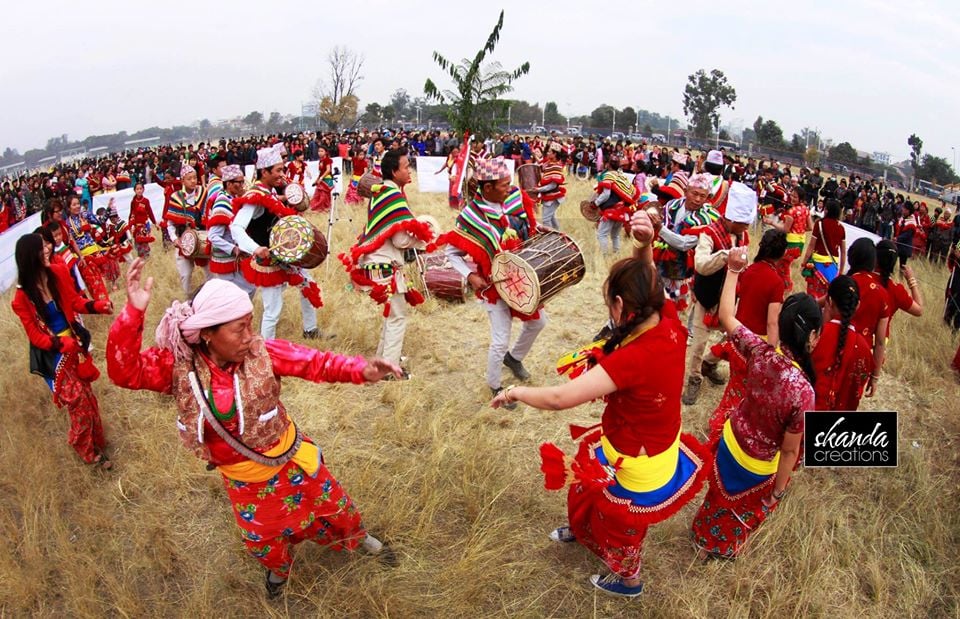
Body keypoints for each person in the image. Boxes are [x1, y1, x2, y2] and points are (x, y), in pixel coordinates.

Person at [106, 261, 399, 597]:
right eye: (238, 329)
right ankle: (278, 571)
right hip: (245, 480)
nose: (249, 337)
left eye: (250, 325)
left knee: (333, 506)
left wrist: (362, 369)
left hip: (291, 460)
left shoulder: (263, 352)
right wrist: (133, 312)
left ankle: (358, 539)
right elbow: (123, 372)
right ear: (207, 334)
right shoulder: (178, 368)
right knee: (263, 536)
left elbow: (315, 362)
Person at [491, 211, 706, 598]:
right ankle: (582, 530)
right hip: (643, 437)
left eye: (609, 301)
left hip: (639, 457)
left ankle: (629, 581)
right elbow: (649, 282)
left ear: (622, 305)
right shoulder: (666, 318)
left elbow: (559, 398)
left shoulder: (632, 358)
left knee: (622, 526)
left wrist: (513, 393)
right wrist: (642, 245)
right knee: (587, 486)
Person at [690, 245, 820, 560]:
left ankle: (700, 533)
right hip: (757, 465)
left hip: (730, 443)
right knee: (739, 512)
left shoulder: (759, 351)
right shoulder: (803, 392)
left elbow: (725, 316)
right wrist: (778, 491)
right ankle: (721, 548)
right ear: (813, 337)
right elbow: (789, 451)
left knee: (716, 499)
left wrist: (733, 271)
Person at [438, 157, 544, 406]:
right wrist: (470, 275)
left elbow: (527, 226)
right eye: (505, 185)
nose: (510, 188)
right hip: (492, 287)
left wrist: (540, 228)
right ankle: (495, 387)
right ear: (487, 188)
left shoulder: (516, 199)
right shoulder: (470, 216)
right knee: (499, 340)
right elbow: (451, 253)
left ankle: (514, 358)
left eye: (509, 183)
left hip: (521, 282)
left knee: (538, 323)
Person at [11, 234, 113, 468]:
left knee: (88, 396)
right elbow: (36, 337)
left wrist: (98, 306)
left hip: (74, 348)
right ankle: (84, 449)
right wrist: (60, 343)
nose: (48, 249)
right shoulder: (21, 298)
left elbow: (75, 302)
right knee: (77, 400)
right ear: (30, 257)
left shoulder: (57, 273)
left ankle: (97, 442)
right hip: (54, 356)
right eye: (42, 247)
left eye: (47, 245)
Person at [341, 150, 433, 374]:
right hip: (385, 265)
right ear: (394, 171)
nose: (408, 170)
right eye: (405, 166)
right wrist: (425, 236)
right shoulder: (392, 196)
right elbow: (401, 239)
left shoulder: (382, 192)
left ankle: (382, 362)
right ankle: (389, 371)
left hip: (377, 263)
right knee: (397, 318)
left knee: (392, 316)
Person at [231, 143, 324, 340]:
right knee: (273, 310)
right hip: (269, 261)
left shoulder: (271, 192)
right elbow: (236, 228)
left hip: (285, 255)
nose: (283, 174)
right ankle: (266, 350)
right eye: (278, 170)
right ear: (264, 172)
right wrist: (256, 249)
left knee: (308, 285)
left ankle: (311, 330)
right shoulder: (255, 196)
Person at [682, 182, 756, 406]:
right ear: (732, 220)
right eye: (743, 225)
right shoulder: (709, 233)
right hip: (706, 296)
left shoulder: (741, 236)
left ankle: (710, 364)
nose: (745, 230)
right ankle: (694, 378)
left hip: (729, 299)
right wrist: (726, 256)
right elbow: (701, 265)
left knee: (731, 339)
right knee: (698, 343)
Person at [706, 230, 786, 434]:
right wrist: (772, 351)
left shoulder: (748, 270)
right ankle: (731, 428)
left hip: (737, 337)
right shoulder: (776, 282)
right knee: (747, 394)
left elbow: (738, 300)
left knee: (734, 385)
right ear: (781, 254)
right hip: (756, 345)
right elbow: (772, 322)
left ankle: (720, 421)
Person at [653, 174, 720, 311]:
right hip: (661, 264)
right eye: (694, 193)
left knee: (677, 308)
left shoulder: (704, 219)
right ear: (685, 191)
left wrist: (660, 229)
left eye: (703, 196)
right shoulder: (672, 205)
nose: (697, 199)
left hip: (683, 272)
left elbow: (684, 244)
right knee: (656, 302)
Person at [811, 275, 874, 410]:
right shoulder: (864, 349)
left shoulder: (815, 336)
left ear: (830, 301)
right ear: (857, 306)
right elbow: (857, 391)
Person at [847, 238, 890, 398]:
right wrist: (875, 377)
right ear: (873, 262)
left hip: (835, 349)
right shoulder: (882, 294)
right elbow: (879, 342)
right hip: (861, 358)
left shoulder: (843, 283)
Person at [205, 165, 254, 296]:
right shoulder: (223, 201)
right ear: (229, 184)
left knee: (248, 290)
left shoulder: (233, 199)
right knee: (237, 296)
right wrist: (234, 249)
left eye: (243, 181)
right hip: (227, 261)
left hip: (236, 260)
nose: (243, 185)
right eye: (239, 182)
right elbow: (213, 236)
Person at [164, 163, 210, 295]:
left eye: (195, 177)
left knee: (211, 272)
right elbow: (170, 223)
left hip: (203, 239)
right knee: (185, 275)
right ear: (183, 180)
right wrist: (174, 239)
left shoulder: (202, 192)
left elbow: (209, 212)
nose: (193, 181)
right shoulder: (176, 197)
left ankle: (210, 298)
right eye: (189, 178)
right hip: (185, 241)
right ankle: (186, 301)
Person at [875, 239, 923, 338]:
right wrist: (911, 281)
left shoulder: (860, 278)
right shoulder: (896, 289)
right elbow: (919, 310)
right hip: (880, 340)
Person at [591, 157, 639, 253]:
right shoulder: (622, 176)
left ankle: (604, 256)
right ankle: (616, 255)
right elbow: (633, 193)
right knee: (615, 235)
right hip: (623, 210)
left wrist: (595, 203)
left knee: (602, 234)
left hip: (612, 210)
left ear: (608, 165)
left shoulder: (609, 175)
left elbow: (606, 194)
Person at [800, 200, 846, 299]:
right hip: (832, 267)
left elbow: (811, 245)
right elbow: (843, 252)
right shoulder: (841, 228)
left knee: (812, 293)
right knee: (827, 295)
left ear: (826, 210)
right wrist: (841, 271)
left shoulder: (819, 224)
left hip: (817, 265)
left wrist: (804, 262)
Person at [532, 147, 567, 230]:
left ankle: (551, 238)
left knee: (546, 220)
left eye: (549, 152)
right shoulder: (549, 164)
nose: (547, 153)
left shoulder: (556, 166)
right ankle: (558, 236)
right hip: (548, 196)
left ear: (554, 154)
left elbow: (553, 185)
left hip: (553, 197)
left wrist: (538, 189)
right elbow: (540, 165)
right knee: (551, 218)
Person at [129, 182, 157, 259]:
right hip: (137, 226)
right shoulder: (133, 202)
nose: (139, 190)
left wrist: (155, 223)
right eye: (137, 189)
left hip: (144, 226)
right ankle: (141, 258)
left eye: (140, 189)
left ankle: (147, 257)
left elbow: (150, 212)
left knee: (145, 242)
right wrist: (129, 226)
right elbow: (131, 213)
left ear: (143, 190)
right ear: (134, 190)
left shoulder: (146, 201)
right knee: (138, 243)